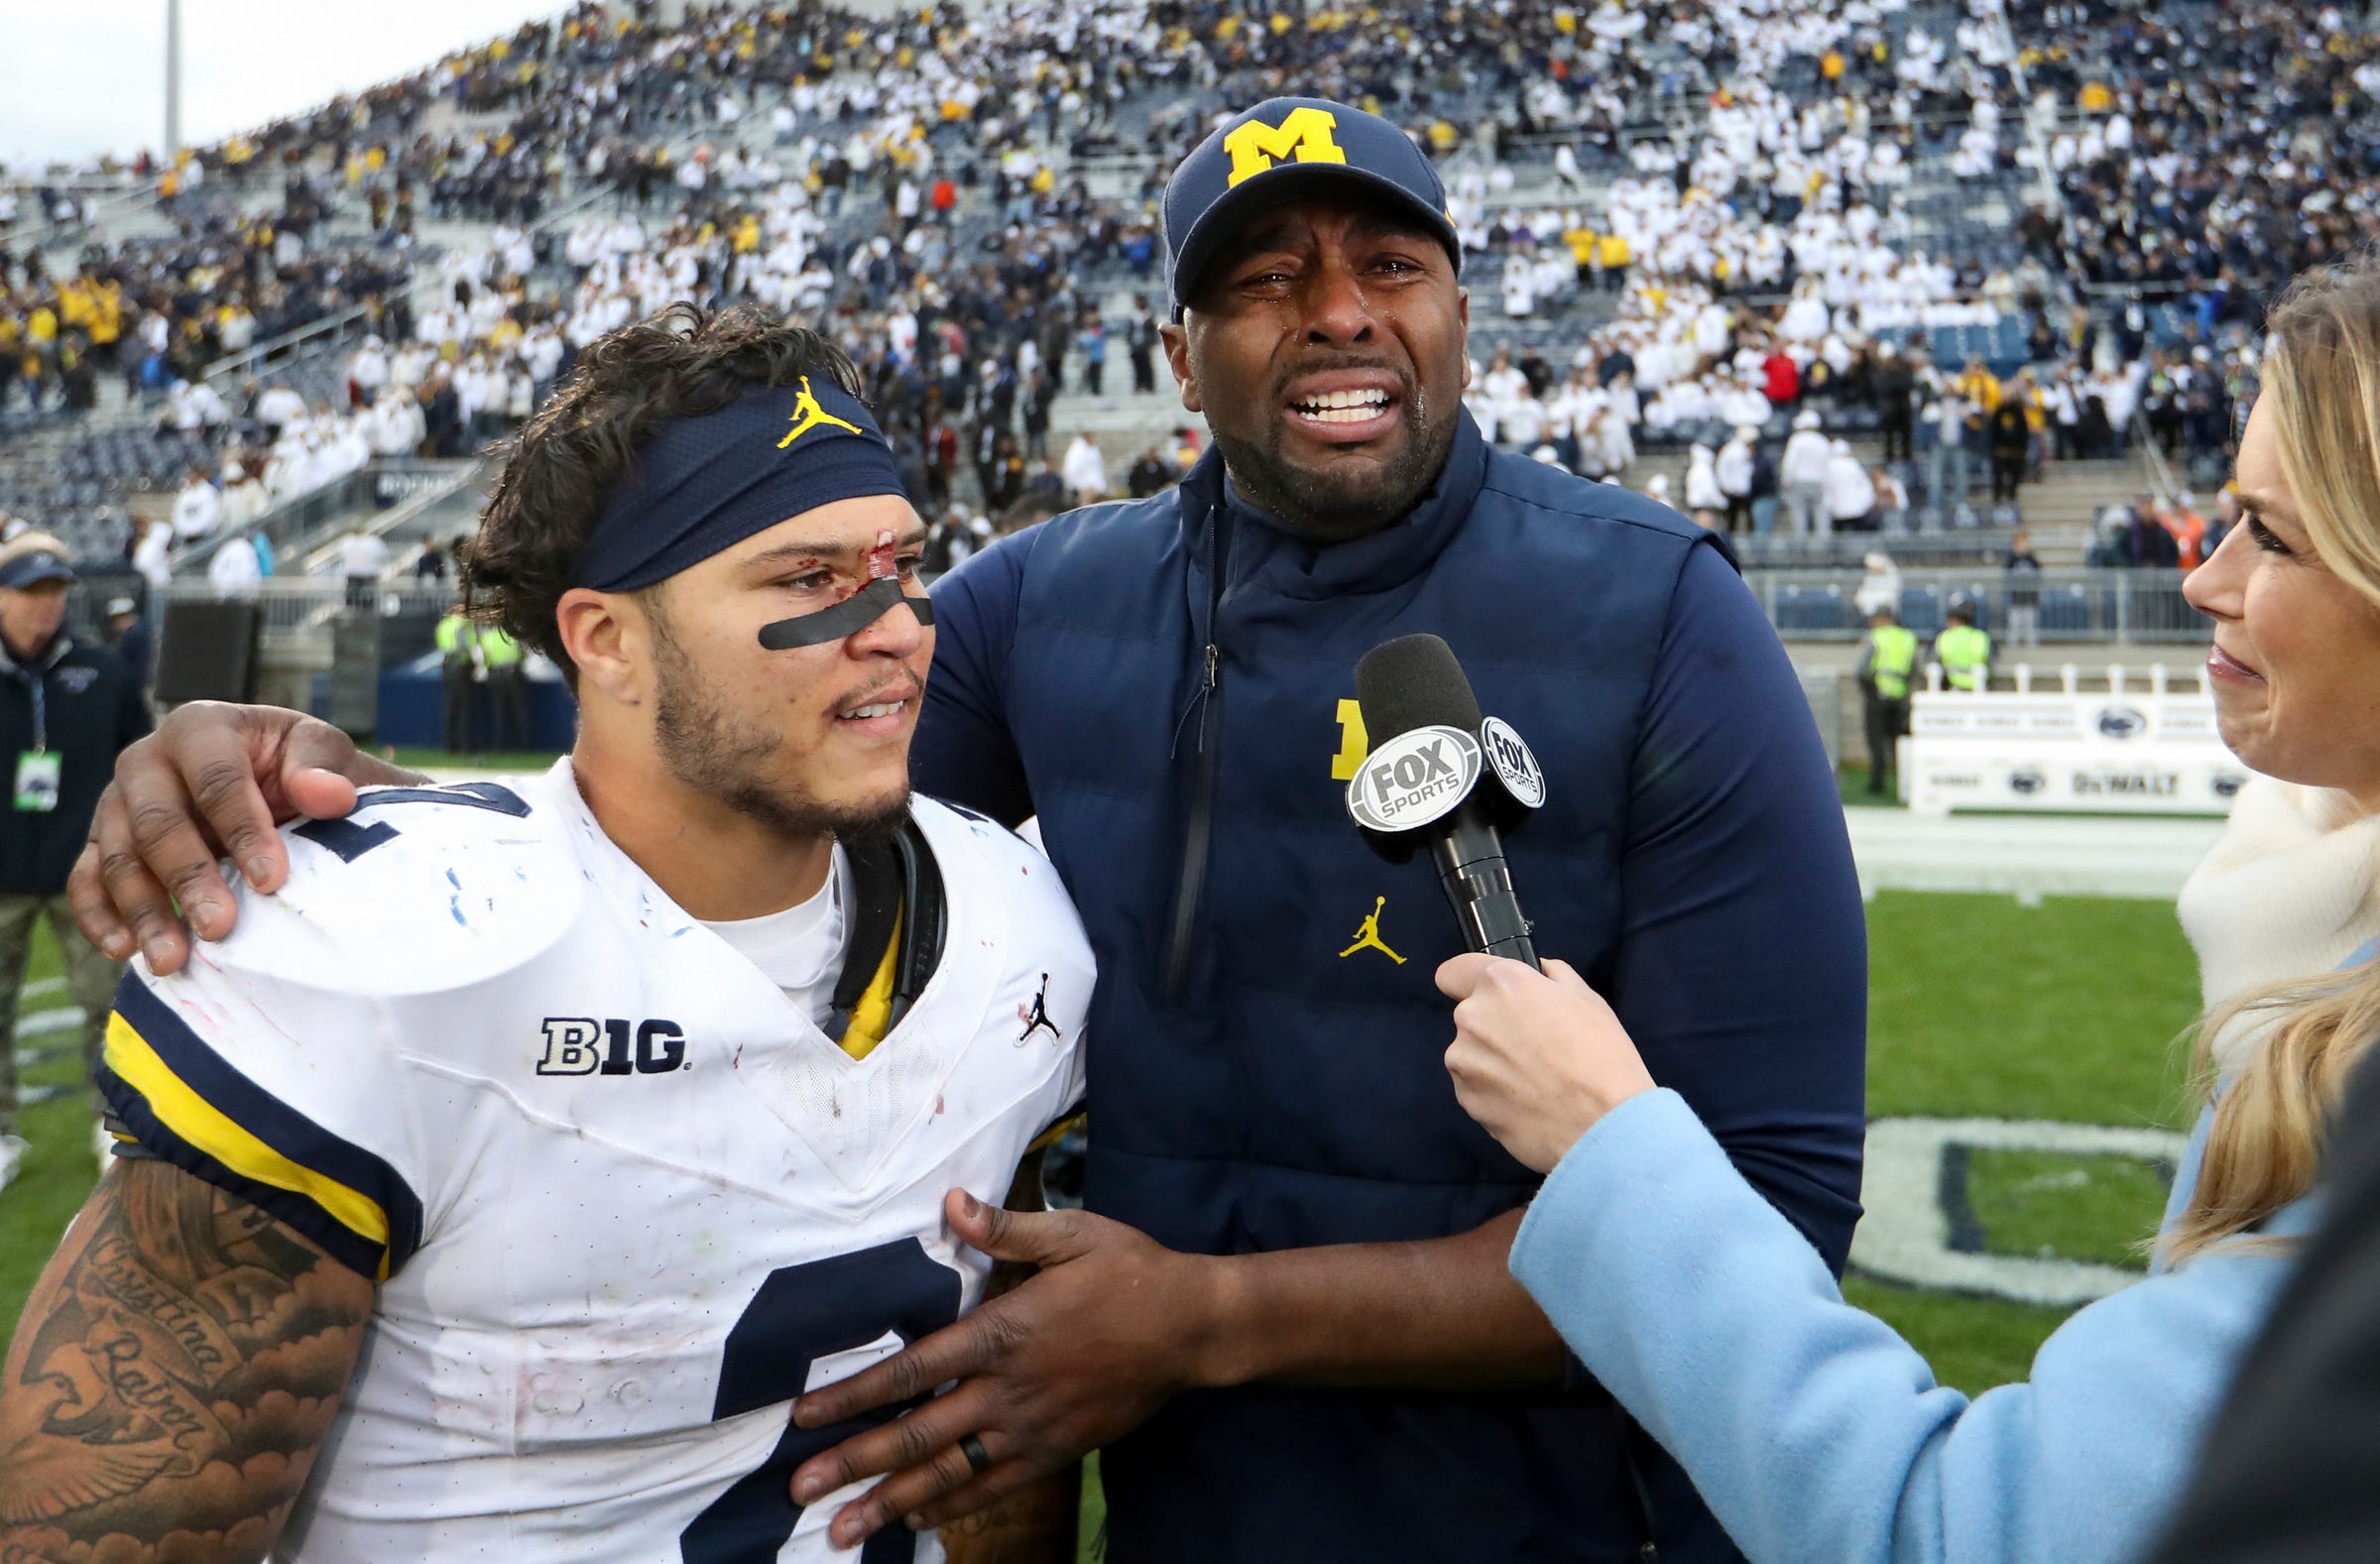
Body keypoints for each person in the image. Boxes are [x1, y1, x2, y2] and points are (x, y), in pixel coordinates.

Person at [66, 98, 1866, 1564]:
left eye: (1392, 264)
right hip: (1168, 1509)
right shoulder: (1027, 611)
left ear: (1463, 312)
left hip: (1563, 1520)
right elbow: (727, 790)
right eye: (1261, 282)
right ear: (1182, 348)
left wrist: (1209, 1319)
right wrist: (276, 765)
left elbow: (1769, 1214)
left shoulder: (1662, 614)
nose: (1335, 312)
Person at [3, 306, 1092, 1561]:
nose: (898, 622)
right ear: (606, 639)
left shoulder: (1013, 922)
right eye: (807, 577)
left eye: (903, 563)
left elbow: (1002, 1427)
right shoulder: (371, 956)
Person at [1427, 256, 2380, 1564]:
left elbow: (1953, 1530)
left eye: (2269, 534)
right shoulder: (2313, 896)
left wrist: (1610, 1139)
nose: (2206, 579)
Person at [0, 536, 152, 1188]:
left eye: (56, 590)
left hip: (82, 866)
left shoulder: (104, 669)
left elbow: (139, 757)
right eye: (33, 592)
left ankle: (109, 1119)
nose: (47, 604)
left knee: (109, 1000)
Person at [1854, 604, 1915, 796]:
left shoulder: (1877, 638)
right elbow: (1914, 669)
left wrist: (1871, 692)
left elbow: (1862, 670)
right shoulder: (1907, 639)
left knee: (1876, 742)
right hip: (1900, 698)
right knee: (1898, 743)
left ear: (1882, 619)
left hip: (1878, 698)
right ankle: (1903, 784)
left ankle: (1877, 783)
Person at [479, 619, 529, 752]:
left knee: (498, 711)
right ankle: (522, 746)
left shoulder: (487, 638)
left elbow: (485, 659)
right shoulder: (513, 637)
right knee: (519, 710)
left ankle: (499, 746)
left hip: (495, 675)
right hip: (513, 675)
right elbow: (523, 657)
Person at [435, 600, 479, 753]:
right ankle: (465, 745)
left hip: (447, 667)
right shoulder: (462, 625)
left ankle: (449, 745)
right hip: (461, 666)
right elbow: (465, 646)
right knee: (465, 708)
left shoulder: (444, 625)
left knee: (451, 707)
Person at [1780, 408, 1831, 535]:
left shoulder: (1797, 440)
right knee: (1821, 516)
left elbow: (1790, 463)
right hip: (1819, 482)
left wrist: (1785, 481)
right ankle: (1822, 547)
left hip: (1799, 482)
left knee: (1799, 516)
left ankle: (1800, 548)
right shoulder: (1823, 441)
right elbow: (1828, 464)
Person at [1933, 600, 1991, 692]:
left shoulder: (1945, 637)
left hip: (1952, 688)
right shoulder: (1981, 637)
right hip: (1978, 688)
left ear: (1956, 620)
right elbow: (1988, 663)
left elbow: (1938, 662)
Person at [104, 594, 153, 698]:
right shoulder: (139, 630)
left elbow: (124, 660)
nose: (115, 623)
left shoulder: (134, 634)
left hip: (136, 682)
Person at [2004, 527, 2043, 647]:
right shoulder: (2011, 556)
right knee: (2014, 624)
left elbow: (2038, 569)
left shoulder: (2031, 556)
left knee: (2030, 624)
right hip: (2016, 597)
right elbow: (2007, 571)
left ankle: (2031, 647)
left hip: (2030, 597)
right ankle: (2013, 646)